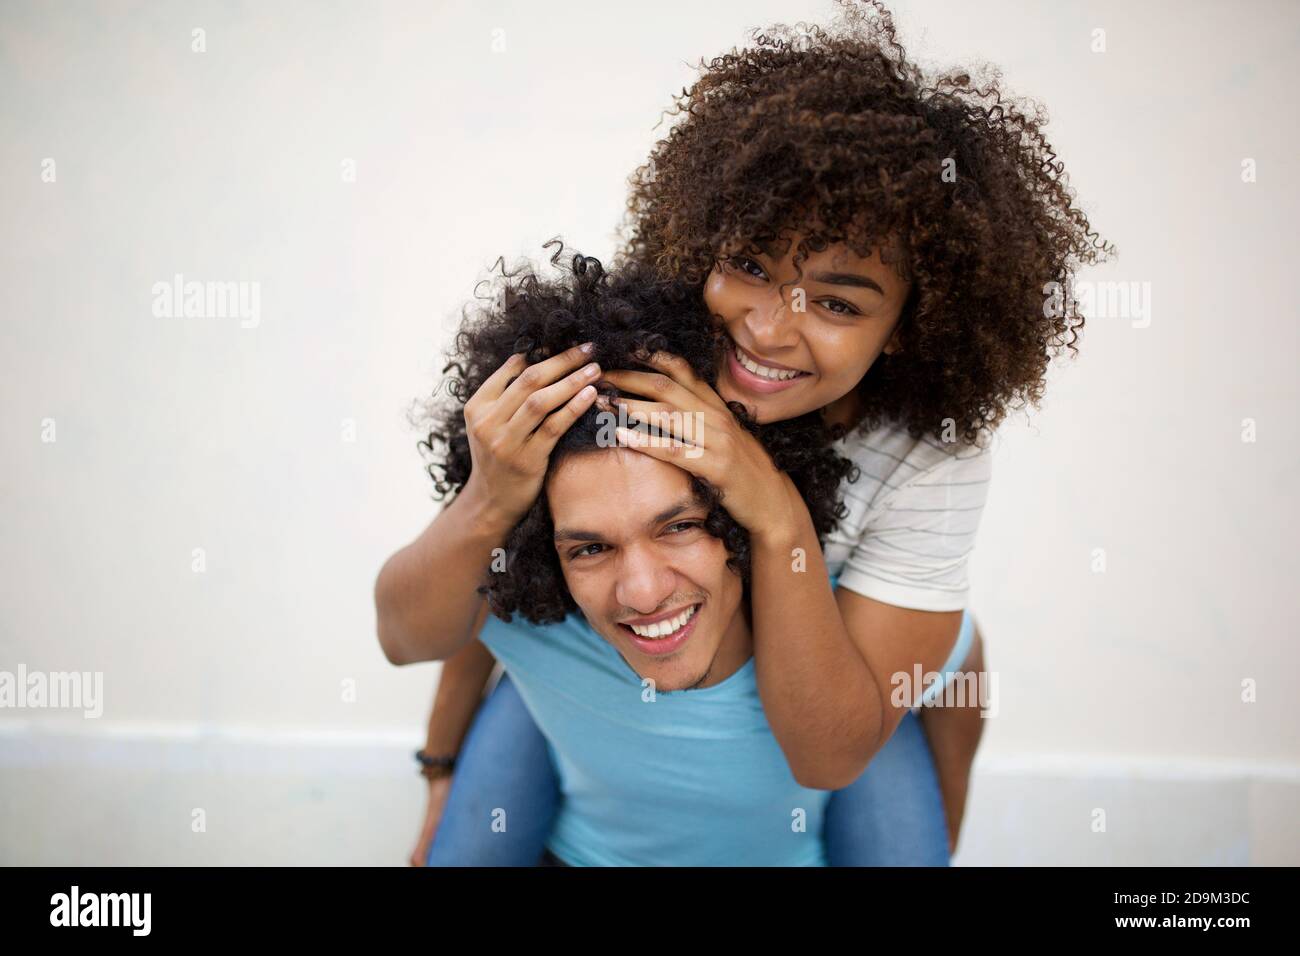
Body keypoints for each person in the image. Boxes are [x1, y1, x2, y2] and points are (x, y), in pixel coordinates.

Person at [381, 0, 1110, 866]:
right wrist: (441, 760)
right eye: (751, 267)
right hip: (611, 682)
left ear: (915, 323)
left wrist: (771, 509)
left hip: (847, 688)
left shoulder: (925, 457)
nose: (767, 329)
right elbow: (501, 588)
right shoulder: (647, 354)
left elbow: (859, 729)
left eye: (837, 303)